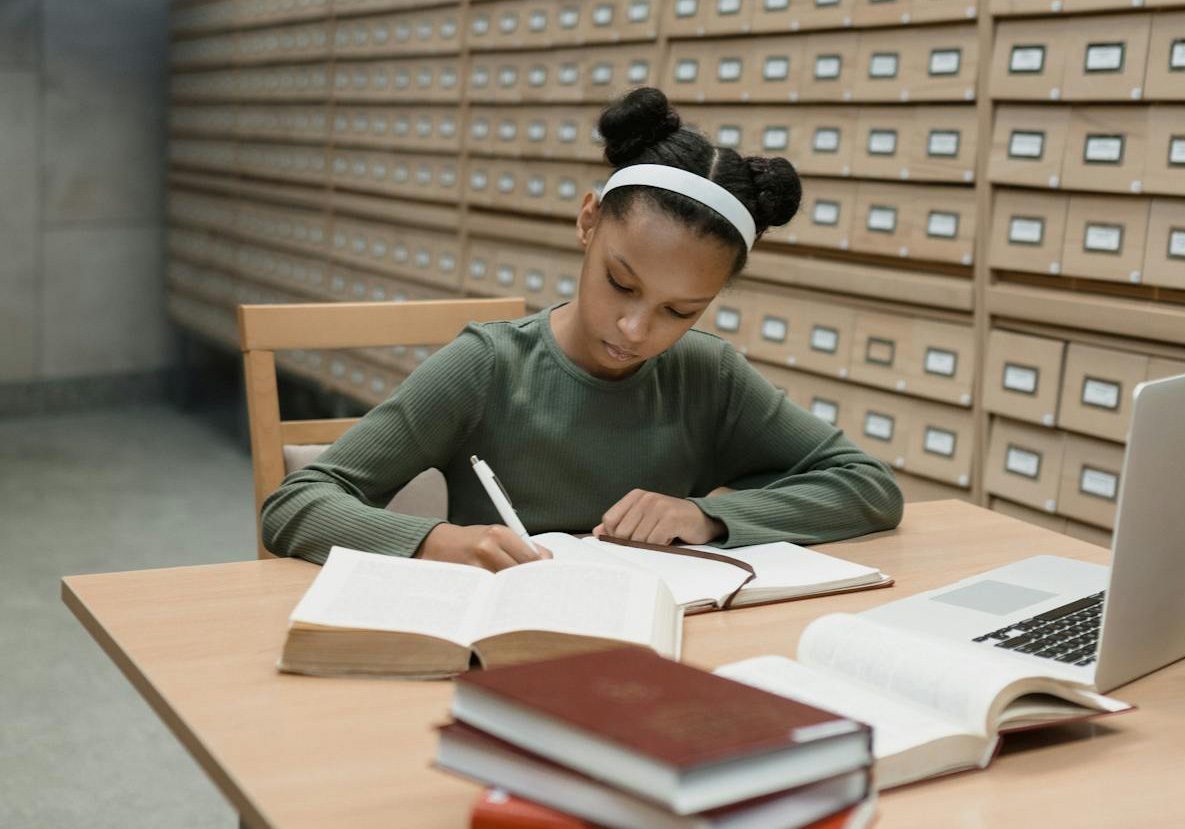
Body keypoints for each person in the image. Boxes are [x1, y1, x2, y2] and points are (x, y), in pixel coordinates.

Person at [261, 86, 904, 570]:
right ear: (588, 221)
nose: (635, 328)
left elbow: (867, 487)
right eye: (621, 284)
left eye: (680, 312)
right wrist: (435, 540)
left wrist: (707, 516)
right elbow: (297, 504)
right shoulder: (486, 367)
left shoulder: (707, 375)